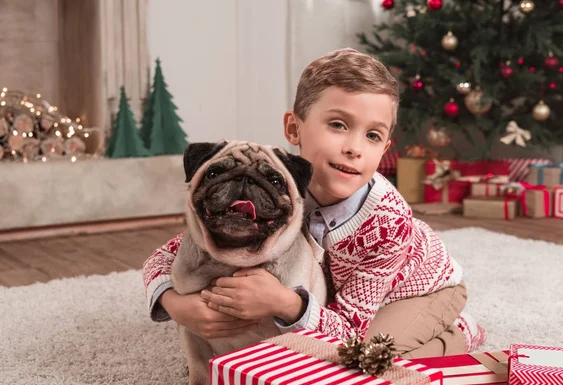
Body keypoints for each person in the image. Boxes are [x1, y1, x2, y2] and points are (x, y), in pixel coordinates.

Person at [142, 48, 485, 358]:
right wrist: (176, 305)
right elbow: (166, 255)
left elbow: (350, 329)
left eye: (373, 135)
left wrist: (284, 303)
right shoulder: (279, 193)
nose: (355, 147)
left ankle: (460, 334)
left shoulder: (388, 222)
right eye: (338, 124)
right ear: (294, 128)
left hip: (423, 292)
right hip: (337, 301)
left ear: (385, 148)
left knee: (361, 358)